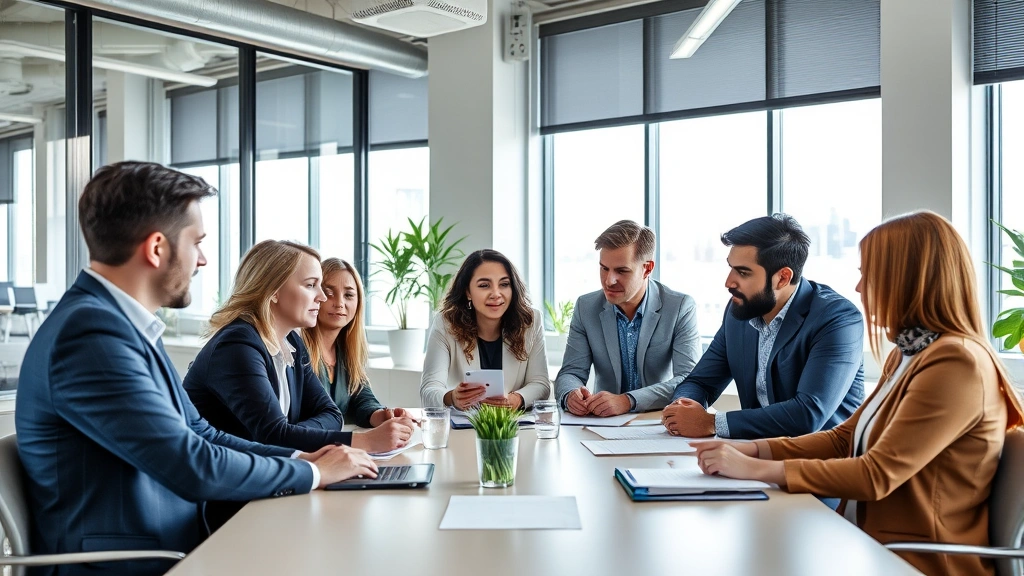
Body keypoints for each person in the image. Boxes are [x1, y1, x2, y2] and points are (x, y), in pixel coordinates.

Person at [15, 162, 376, 575]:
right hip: (136, 561)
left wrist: (306, 455)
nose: (203, 260)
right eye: (196, 242)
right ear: (156, 248)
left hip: (178, 540)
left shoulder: (119, 326)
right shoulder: (90, 336)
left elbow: (202, 433)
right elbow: (191, 464)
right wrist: (311, 472)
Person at [691, 211, 1024, 576]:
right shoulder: (911, 351)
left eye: (868, 274)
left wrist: (757, 468)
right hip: (864, 540)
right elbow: (844, 438)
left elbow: (876, 474)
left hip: (915, 561)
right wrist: (751, 448)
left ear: (906, 279)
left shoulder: (957, 363)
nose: (860, 288)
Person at [184, 241, 413, 454]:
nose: (322, 297)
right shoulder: (237, 345)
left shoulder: (292, 343)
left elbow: (332, 415)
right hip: (225, 491)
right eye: (311, 285)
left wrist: (292, 433)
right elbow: (274, 435)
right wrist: (366, 442)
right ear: (273, 290)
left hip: (268, 473)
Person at [662, 214, 865, 439]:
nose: (729, 282)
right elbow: (700, 381)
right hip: (756, 453)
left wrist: (711, 423)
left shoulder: (838, 319)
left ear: (782, 278)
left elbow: (808, 414)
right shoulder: (739, 311)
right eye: (731, 268)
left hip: (823, 462)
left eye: (743, 272)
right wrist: (683, 407)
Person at [555, 220, 702, 416]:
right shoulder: (586, 307)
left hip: (657, 420)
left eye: (621, 271)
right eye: (604, 268)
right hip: (602, 425)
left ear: (647, 269)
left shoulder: (680, 307)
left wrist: (627, 401)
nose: (609, 280)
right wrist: (570, 394)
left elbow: (688, 379)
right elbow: (570, 372)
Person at [420, 249, 551, 410]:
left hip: (514, 427)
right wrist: (452, 397)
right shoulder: (446, 323)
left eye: (504, 284)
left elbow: (541, 384)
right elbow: (429, 389)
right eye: (484, 285)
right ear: (468, 291)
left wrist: (516, 399)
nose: (496, 294)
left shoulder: (530, 321)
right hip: (463, 427)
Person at [301, 258, 414, 428]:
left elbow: (361, 398)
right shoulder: (297, 349)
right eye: (329, 293)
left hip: (335, 445)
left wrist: (382, 415)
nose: (339, 303)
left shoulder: (347, 351)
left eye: (348, 295)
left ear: (358, 302)